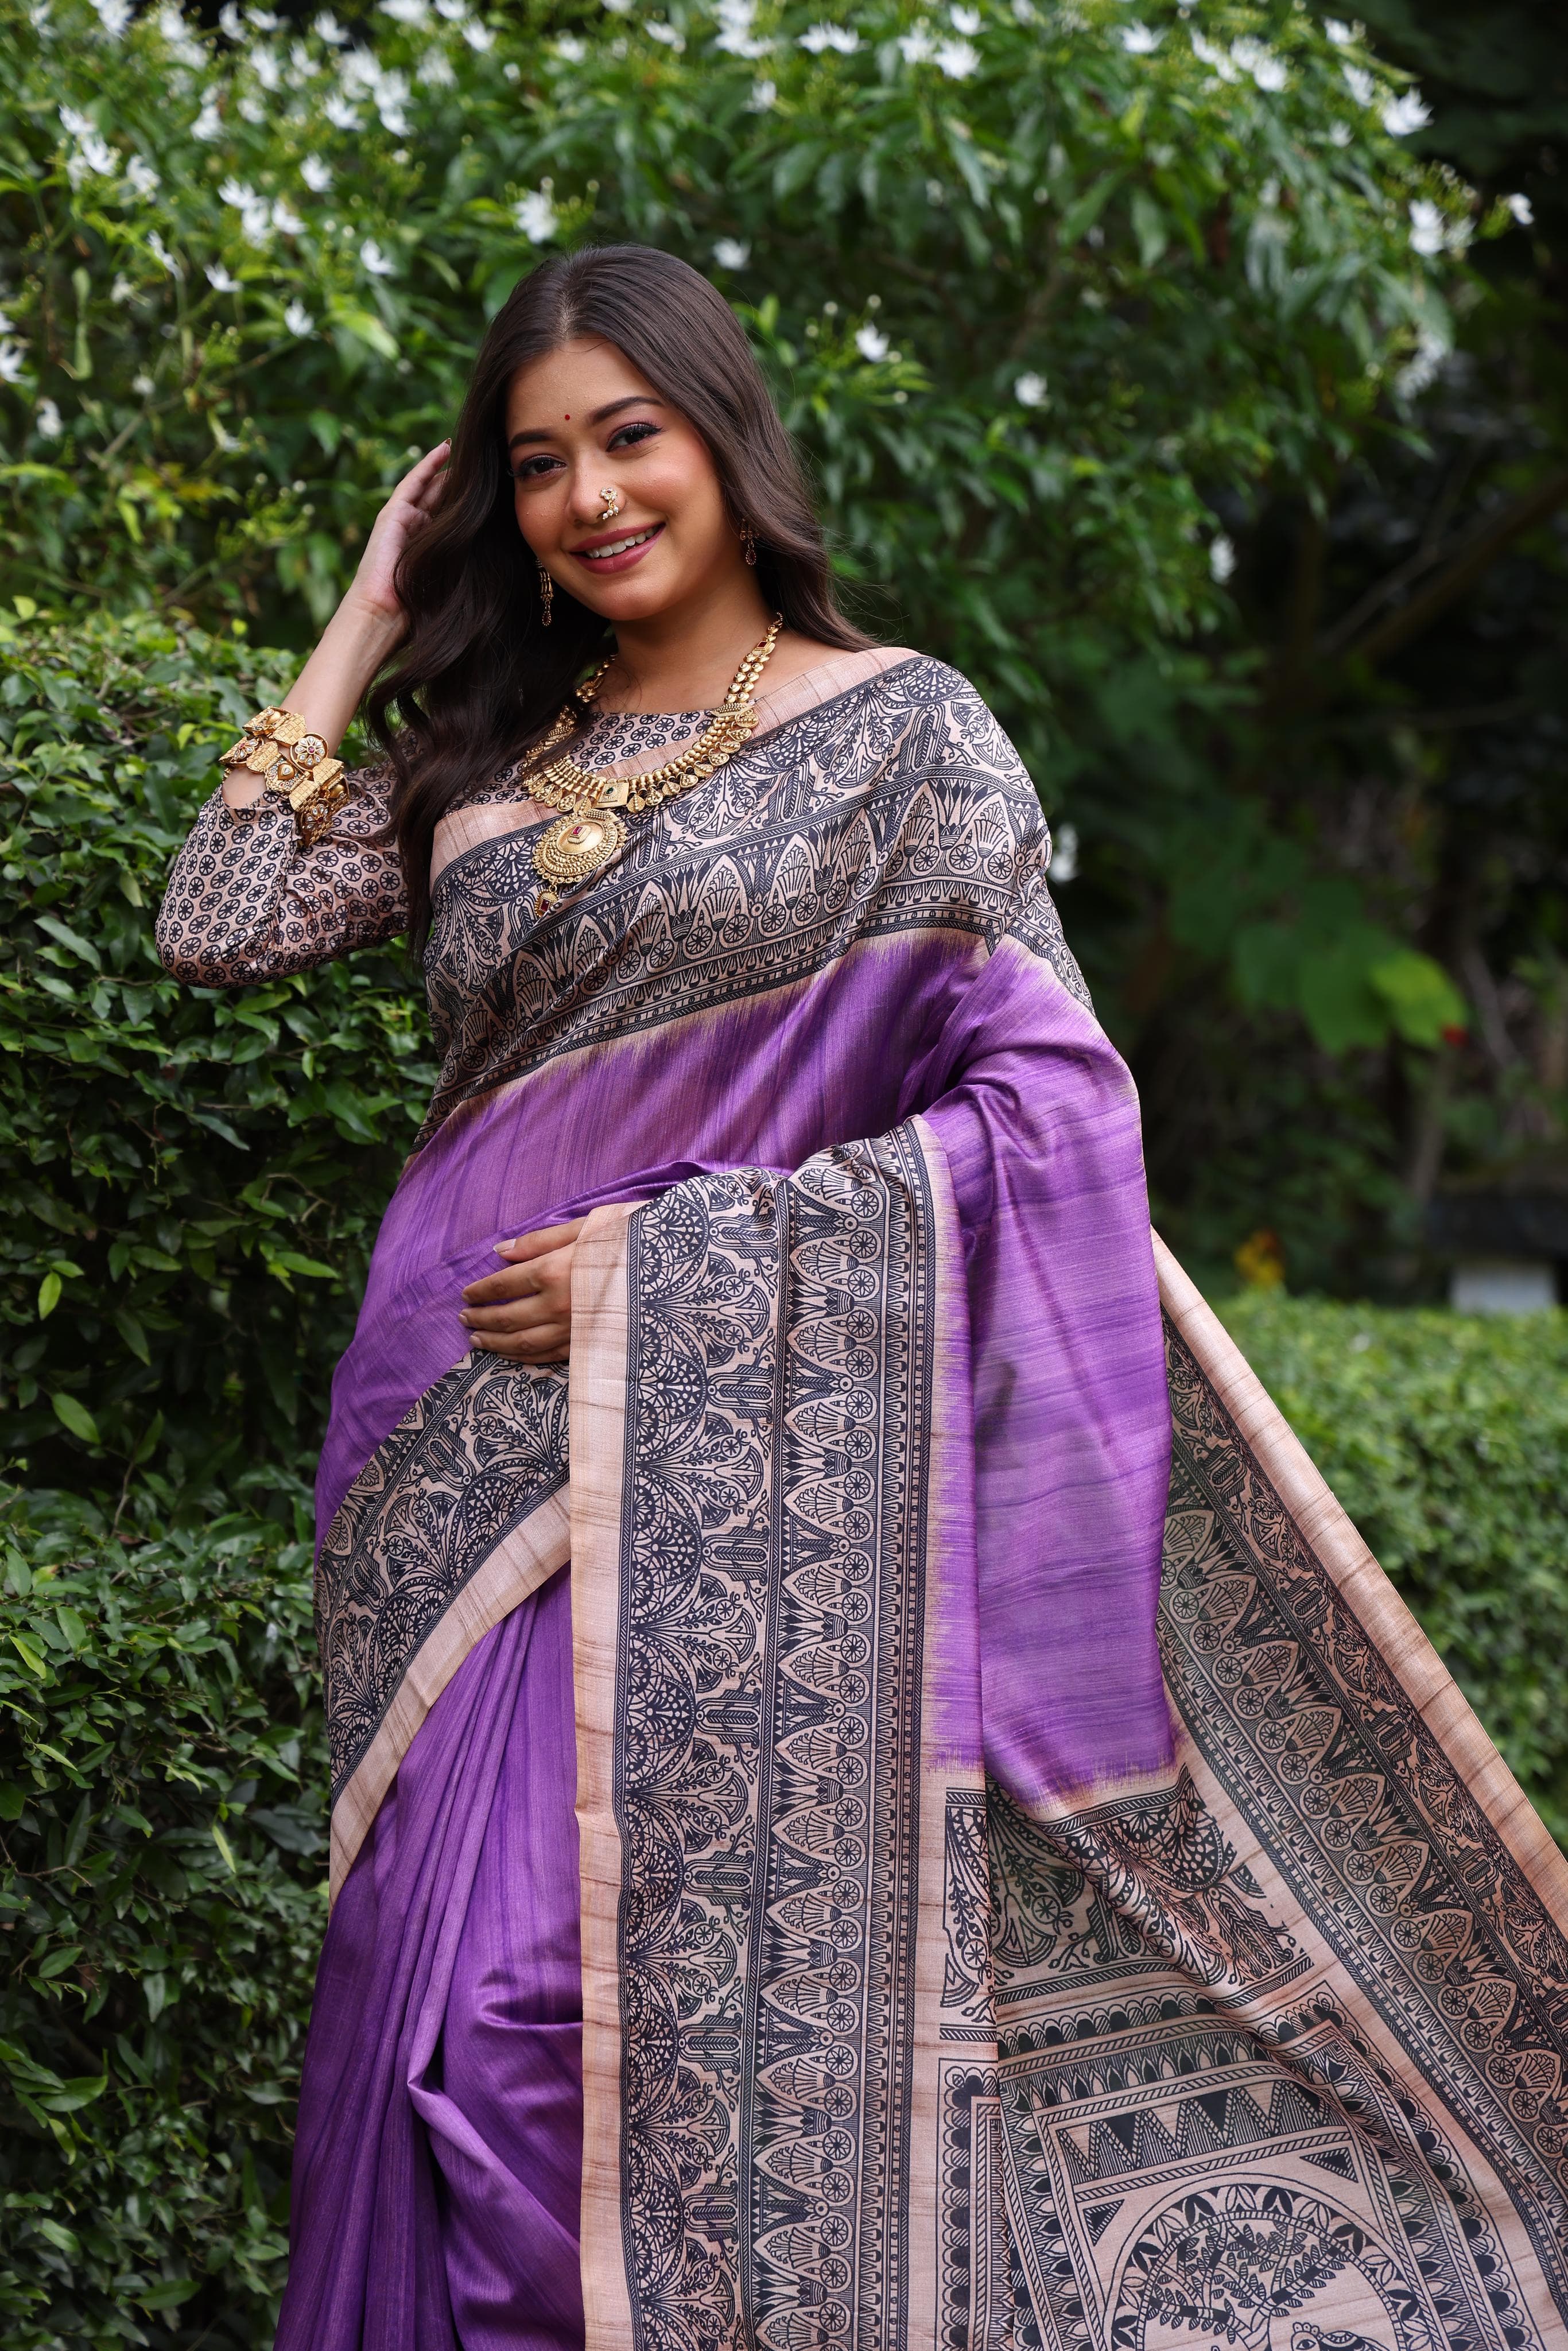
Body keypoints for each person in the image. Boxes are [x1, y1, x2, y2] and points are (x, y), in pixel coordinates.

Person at [157, 246, 1568, 2351]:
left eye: (629, 437)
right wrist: (373, 611)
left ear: (724, 441)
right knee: (413, 1998)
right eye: (537, 462)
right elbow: (218, 920)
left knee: (542, 2013)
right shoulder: (488, 753)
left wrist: (675, 1265)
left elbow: (1053, 1115)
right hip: (441, 1470)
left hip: (721, 1462)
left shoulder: (910, 736)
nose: (590, 496)